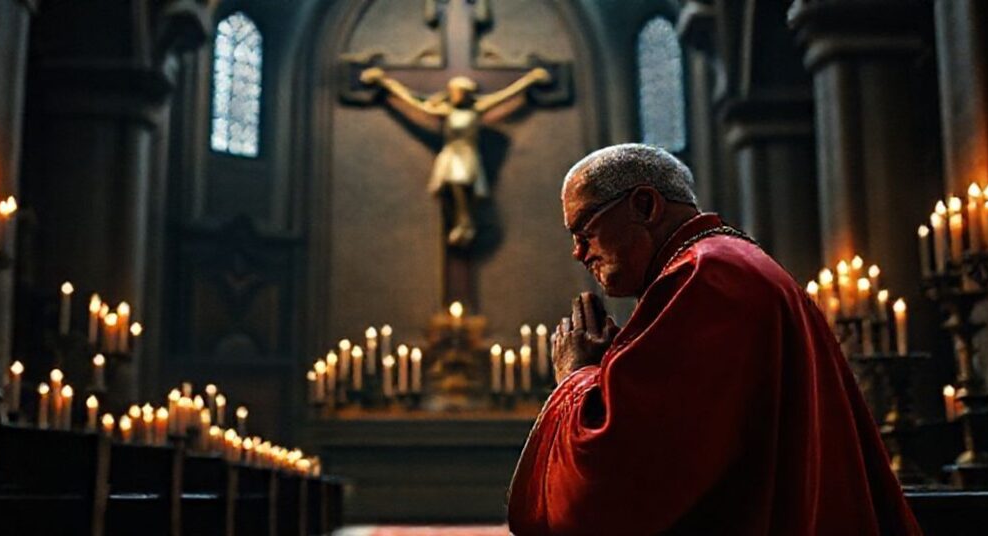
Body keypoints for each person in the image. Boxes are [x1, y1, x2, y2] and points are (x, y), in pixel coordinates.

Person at [507, 144, 921, 535]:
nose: (579, 252)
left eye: (585, 229)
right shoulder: (724, 262)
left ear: (644, 205)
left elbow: (630, 472)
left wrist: (576, 375)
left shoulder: (706, 278)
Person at [360, 66, 551, 247]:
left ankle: (466, 222)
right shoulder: (445, 111)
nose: (459, 95)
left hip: (467, 153)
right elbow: (413, 102)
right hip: (452, 154)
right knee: (453, 185)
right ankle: (462, 222)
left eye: (462, 92)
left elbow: (505, 95)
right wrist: (385, 83)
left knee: (463, 182)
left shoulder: (476, 110)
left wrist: (530, 80)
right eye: (456, 92)